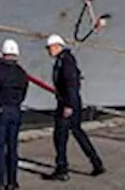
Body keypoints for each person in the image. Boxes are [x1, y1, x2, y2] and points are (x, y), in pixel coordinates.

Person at [43, 34, 105, 181]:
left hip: (67, 103)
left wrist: (68, 105)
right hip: (69, 101)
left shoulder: (66, 62)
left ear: (57, 46)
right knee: (77, 133)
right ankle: (96, 163)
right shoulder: (64, 60)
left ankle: (62, 168)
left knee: (60, 136)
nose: (48, 51)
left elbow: (71, 84)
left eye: (49, 47)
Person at [0, 38, 29, 190]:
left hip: (0, 111)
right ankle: (12, 181)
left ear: (3, 54)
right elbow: (24, 93)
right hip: (15, 110)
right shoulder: (21, 73)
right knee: (12, 147)